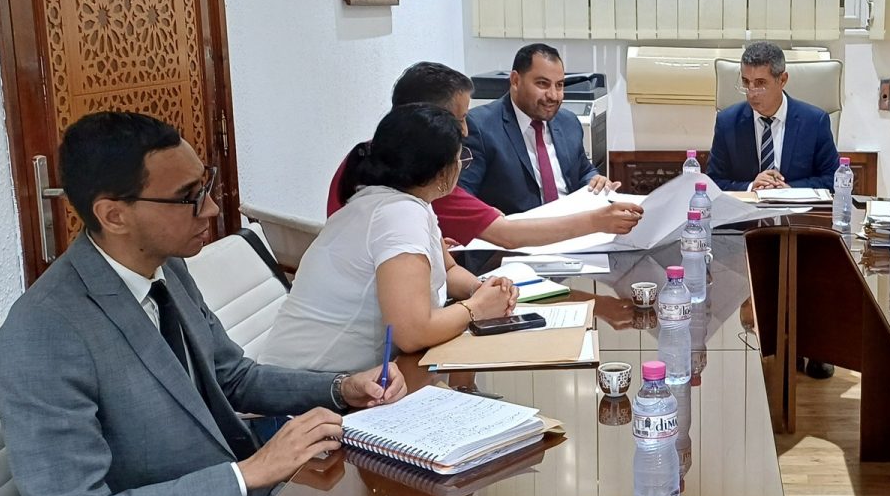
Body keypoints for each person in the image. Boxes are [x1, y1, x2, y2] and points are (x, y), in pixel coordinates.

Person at [0, 112, 406, 496]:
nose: (210, 208)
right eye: (188, 197)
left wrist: (341, 387)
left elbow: (232, 377)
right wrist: (248, 473)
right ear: (114, 215)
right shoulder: (45, 331)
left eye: (205, 185)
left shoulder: (166, 268)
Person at [268, 105, 518, 371]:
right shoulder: (399, 215)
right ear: (441, 172)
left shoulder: (405, 201)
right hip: (307, 382)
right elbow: (411, 333)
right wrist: (476, 308)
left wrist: (480, 289)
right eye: (460, 159)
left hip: (346, 376)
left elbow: (448, 270)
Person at [327, 61, 641, 249]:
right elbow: (507, 235)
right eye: (460, 119)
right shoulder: (420, 176)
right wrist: (597, 221)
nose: (465, 131)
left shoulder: (363, 154)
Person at [461, 43, 616, 214]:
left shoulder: (568, 122)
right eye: (543, 84)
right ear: (515, 81)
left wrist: (594, 180)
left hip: (572, 223)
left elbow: (583, 171)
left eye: (559, 85)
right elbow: (463, 197)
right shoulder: (480, 126)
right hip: (518, 228)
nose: (553, 95)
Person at [706, 42, 840, 192]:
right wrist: (750, 187)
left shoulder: (814, 122)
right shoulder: (727, 122)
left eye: (760, 83)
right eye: (746, 82)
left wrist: (790, 189)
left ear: (782, 80)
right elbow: (713, 181)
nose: (751, 93)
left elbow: (833, 179)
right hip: (746, 206)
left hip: (795, 206)